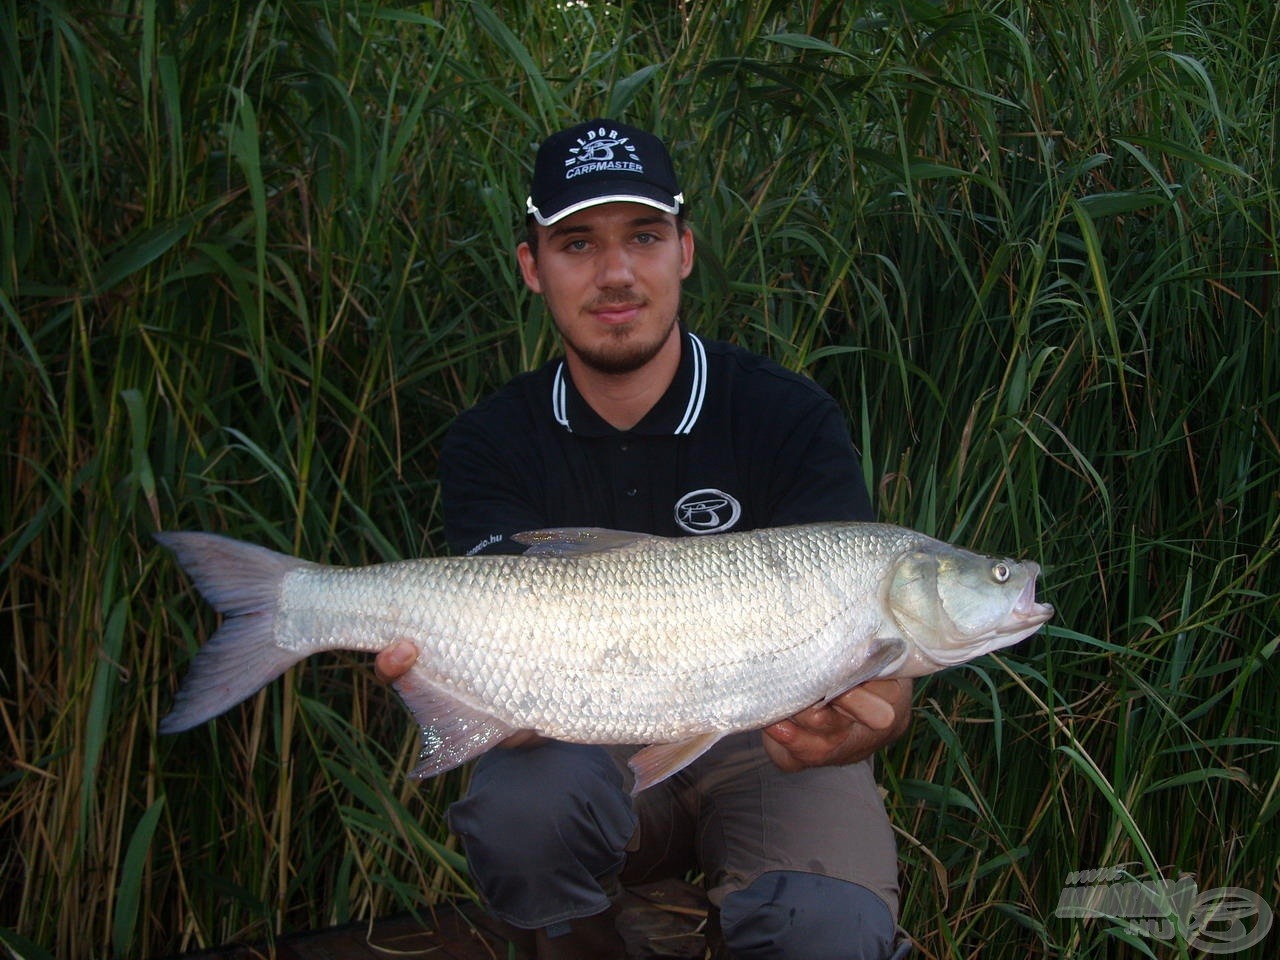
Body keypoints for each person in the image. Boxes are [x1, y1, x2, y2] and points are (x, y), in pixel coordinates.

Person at [376, 119, 913, 960]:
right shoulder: (492, 440)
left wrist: (860, 730)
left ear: (685, 251)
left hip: (772, 746)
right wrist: (472, 690)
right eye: (578, 243)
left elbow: (887, 690)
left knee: (829, 929)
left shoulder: (786, 415)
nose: (616, 273)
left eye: (645, 237)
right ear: (532, 268)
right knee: (522, 810)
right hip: (590, 738)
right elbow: (513, 710)